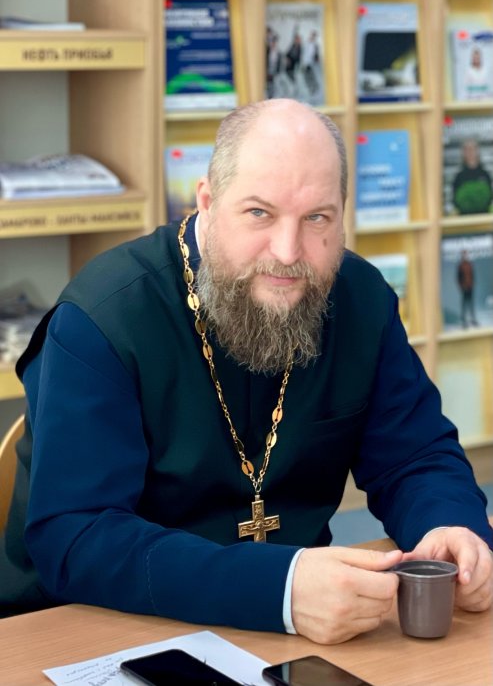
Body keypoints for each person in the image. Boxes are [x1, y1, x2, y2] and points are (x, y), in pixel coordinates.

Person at [1, 100, 492, 645]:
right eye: (260, 213)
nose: (287, 252)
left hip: (299, 632)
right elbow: (77, 536)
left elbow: (415, 456)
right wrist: (278, 589)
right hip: (95, 630)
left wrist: (450, 526)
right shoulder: (103, 318)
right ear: (207, 202)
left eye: (317, 218)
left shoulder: (361, 299)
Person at [452, 138, 493, 215]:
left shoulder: (485, 174)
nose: (470, 152)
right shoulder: (459, 177)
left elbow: (490, 197)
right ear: (463, 153)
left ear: (477, 151)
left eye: (473, 149)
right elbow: (455, 200)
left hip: (483, 217)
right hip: (465, 218)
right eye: (467, 150)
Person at [457, 249, 479, 328]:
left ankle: (473, 320)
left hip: (470, 287)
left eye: (466, 254)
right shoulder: (460, 266)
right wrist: (461, 286)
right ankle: (464, 321)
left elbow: (473, 275)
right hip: (464, 287)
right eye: (464, 255)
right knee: (464, 305)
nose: (465, 256)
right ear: (462, 256)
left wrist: (473, 283)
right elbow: (458, 277)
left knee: (471, 304)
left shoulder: (470, 264)